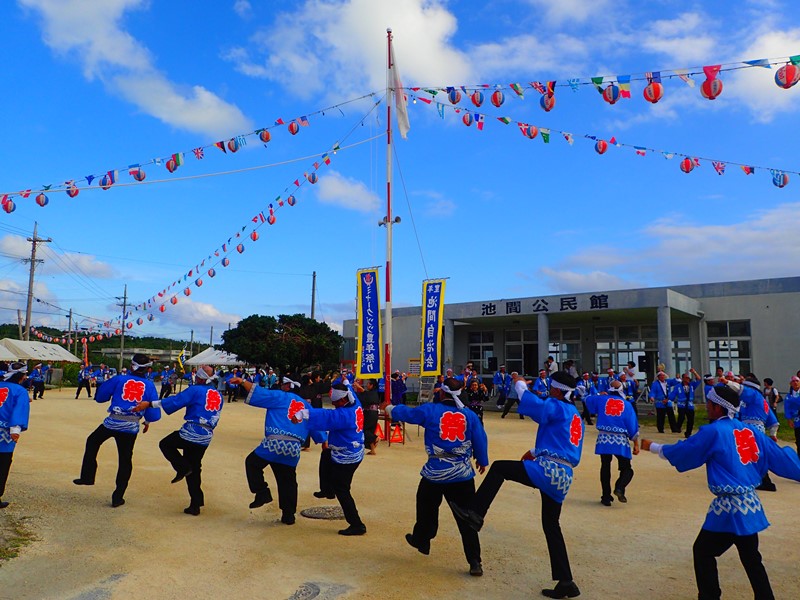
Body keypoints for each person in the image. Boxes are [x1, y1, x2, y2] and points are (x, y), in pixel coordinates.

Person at [641, 384, 800, 600]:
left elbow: (687, 451)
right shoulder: (751, 430)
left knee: (703, 551)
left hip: (730, 508)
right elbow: (780, 457)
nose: (706, 407)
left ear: (717, 407)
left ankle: (710, 596)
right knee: (751, 557)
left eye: (709, 403)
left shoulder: (714, 431)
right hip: (750, 505)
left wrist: (654, 447)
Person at [450, 371, 584, 599]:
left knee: (500, 468)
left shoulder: (557, 406)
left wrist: (520, 385)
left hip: (548, 471)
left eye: (552, 388)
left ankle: (475, 513)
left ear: (559, 390)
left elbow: (537, 406)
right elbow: (561, 441)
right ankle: (566, 581)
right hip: (563, 475)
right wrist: (533, 452)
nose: (549, 391)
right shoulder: (574, 414)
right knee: (551, 525)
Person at [384, 377, 488, 576]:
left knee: (426, 506)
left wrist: (389, 408)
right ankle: (475, 561)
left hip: (436, 473)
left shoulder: (430, 410)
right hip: (462, 475)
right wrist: (482, 459)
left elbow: (409, 413)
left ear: (441, 392)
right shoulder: (469, 415)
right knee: (466, 519)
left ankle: (422, 540)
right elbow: (480, 438)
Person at [132, 365, 223, 516]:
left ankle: (182, 467)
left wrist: (150, 404)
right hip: (206, 435)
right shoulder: (218, 395)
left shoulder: (196, 390)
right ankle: (195, 503)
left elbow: (176, 401)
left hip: (193, 430)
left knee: (166, 444)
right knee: (195, 467)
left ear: (199, 377)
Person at [234, 375, 324, 525]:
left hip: (275, 443)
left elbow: (259, 393)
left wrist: (242, 381)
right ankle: (288, 515)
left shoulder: (280, 396)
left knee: (252, 463)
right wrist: (323, 441)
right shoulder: (306, 405)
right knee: (287, 480)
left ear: (287, 387)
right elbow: (317, 426)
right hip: (294, 448)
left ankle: (262, 492)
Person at [73, 354, 161, 507]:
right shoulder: (149, 385)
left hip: (113, 421)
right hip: (131, 426)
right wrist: (146, 420)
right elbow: (154, 413)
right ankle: (118, 496)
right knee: (125, 460)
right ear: (148, 369)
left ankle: (87, 476)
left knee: (93, 441)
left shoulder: (119, 379)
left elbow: (100, 397)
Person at [292, 382, 367, 535]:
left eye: (334, 402)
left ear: (340, 400)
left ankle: (357, 524)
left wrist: (302, 414)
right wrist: (345, 381)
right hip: (352, 449)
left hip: (347, 457)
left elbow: (326, 416)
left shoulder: (344, 415)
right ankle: (327, 489)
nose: (333, 404)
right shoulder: (355, 402)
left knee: (343, 489)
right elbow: (348, 387)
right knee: (326, 454)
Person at [583, 380, 639, 506]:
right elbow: (632, 425)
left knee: (605, 466)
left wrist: (598, 395)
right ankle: (619, 487)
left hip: (604, 437)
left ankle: (606, 497)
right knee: (627, 469)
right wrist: (635, 443)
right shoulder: (627, 404)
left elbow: (586, 399)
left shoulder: (602, 400)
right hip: (620, 438)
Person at [0, 363, 31, 509]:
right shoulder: (20, 391)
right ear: (21, 376)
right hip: (5, 433)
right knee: (2, 464)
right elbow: (19, 410)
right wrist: (15, 430)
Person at [671, 369, 702, 438]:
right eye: (686, 378)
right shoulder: (678, 386)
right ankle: (678, 427)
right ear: (683, 379)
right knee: (681, 418)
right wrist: (668, 399)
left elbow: (699, 379)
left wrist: (694, 372)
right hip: (681, 405)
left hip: (690, 405)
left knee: (691, 420)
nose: (688, 379)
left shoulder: (692, 385)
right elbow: (672, 394)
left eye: (688, 378)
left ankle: (688, 433)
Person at [359, 379, 380, 455]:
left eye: (368, 384)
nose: (367, 385)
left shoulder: (372, 393)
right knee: (369, 431)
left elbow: (365, 396)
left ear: (372, 385)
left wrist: (360, 389)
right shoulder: (373, 393)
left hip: (370, 413)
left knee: (365, 429)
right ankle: (372, 449)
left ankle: (375, 438)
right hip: (372, 413)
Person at [783, 376, 800, 457]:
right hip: (797, 420)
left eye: (797, 381)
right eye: (793, 381)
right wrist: (789, 419)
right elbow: (787, 408)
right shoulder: (789, 396)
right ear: (791, 383)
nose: (795, 382)